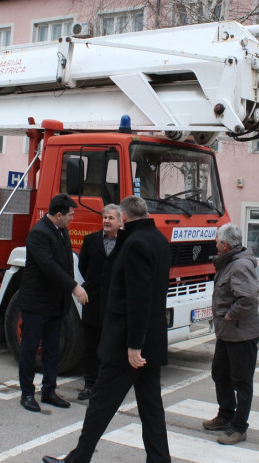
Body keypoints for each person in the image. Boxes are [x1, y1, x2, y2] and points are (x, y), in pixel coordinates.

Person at [42, 196, 171, 463]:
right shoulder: (158, 239)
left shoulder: (135, 243)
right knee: (151, 407)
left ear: (123, 216)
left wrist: (134, 345)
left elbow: (139, 298)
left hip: (127, 344)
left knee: (100, 403)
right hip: (151, 340)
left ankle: (78, 459)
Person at [18, 193, 88, 412]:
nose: (72, 219)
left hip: (56, 303)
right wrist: (74, 287)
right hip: (37, 303)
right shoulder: (38, 234)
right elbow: (48, 266)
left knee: (52, 350)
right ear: (58, 215)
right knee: (30, 349)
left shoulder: (61, 230)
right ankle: (27, 394)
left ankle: (48, 391)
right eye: (70, 215)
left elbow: (66, 262)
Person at [201, 223, 259, 445]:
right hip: (227, 335)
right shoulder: (229, 262)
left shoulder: (239, 266)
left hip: (241, 335)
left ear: (225, 245)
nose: (215, 245)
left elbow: (247, 298)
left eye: (217, 241)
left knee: (241, 382)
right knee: (220, 374)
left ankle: (239, 427)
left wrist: (229, 315)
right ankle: (226, 415)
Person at [76, 204, 120, 400]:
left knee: (110, 346)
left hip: (114, 304)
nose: (106, 221)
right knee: (91, 346)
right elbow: (83, 266)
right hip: (93, 303)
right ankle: (89, 384)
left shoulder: (126, 243)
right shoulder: (91, 240)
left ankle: (107, 385)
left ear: (120, 222)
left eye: (111, 218)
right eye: (105, 217)